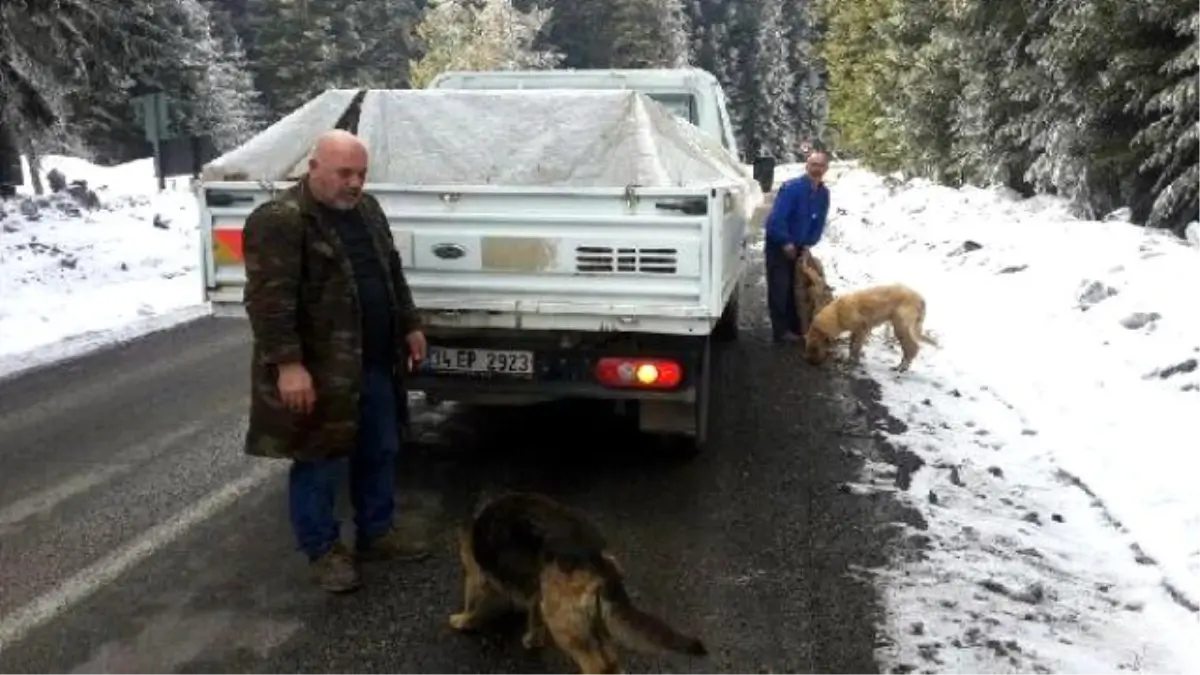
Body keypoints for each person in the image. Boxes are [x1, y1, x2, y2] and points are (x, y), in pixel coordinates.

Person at [241, 129, 429, 593]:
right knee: (319, 460)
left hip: (374, 362)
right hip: (321, 370)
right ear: (314, 167)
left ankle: (376, 532)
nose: (354, 183)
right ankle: (323, 549)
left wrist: (409, 323)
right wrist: (288, 365)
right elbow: (269, 302)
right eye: (344, 172)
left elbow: (390, 273)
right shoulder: (281, 220)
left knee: (380, 449)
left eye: (361, 174)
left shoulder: (367, 210)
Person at [762, 149, 831, 344]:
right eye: (813, 165)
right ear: (806, 166)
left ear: (826, 168)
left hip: (800, 248)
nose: (817, 169)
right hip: (779, 245)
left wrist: (809, 243)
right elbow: (776, 220)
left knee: (798, 289)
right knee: (780, 288)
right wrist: (786, 242)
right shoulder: (792, 188)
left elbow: (819, 222)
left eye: (821, 165)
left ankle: (796, 327)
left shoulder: (823, 194)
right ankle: (780, 332)